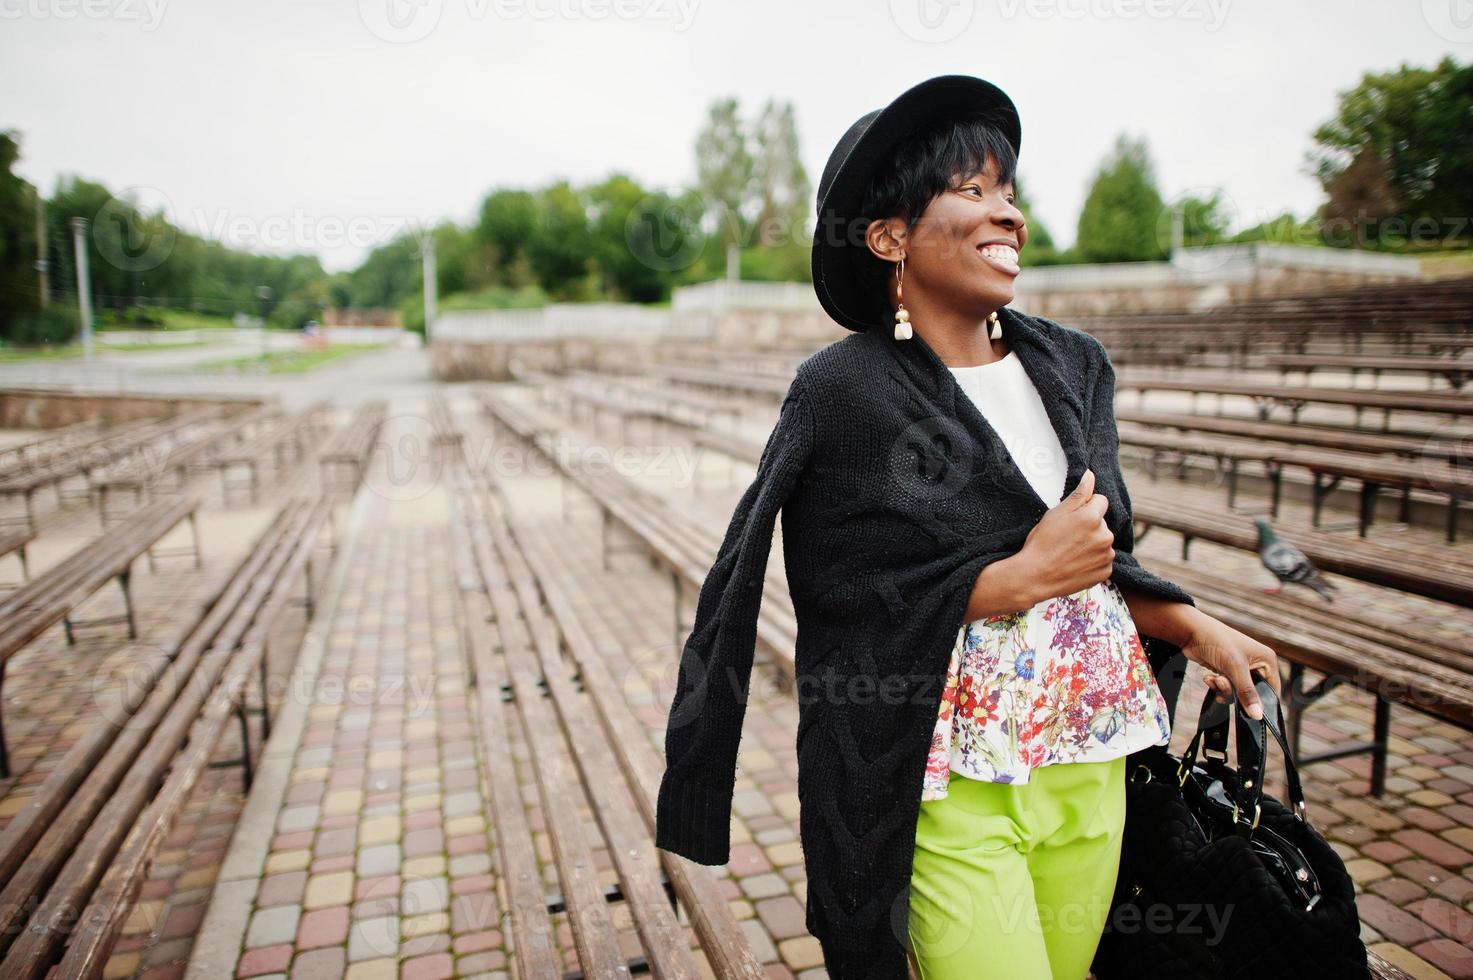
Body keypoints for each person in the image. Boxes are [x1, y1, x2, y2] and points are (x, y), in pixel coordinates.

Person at [654, 74, 1281, 980]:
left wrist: (1192, 623)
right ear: (888, 237)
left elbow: (1101, 563)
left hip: (1092, 752)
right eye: (972, 190)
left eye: (1010, 192)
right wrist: (1014, 580)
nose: (1008, 215)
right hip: (949, 778)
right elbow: (838, 601)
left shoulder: (1073, 365)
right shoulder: (843, 393)